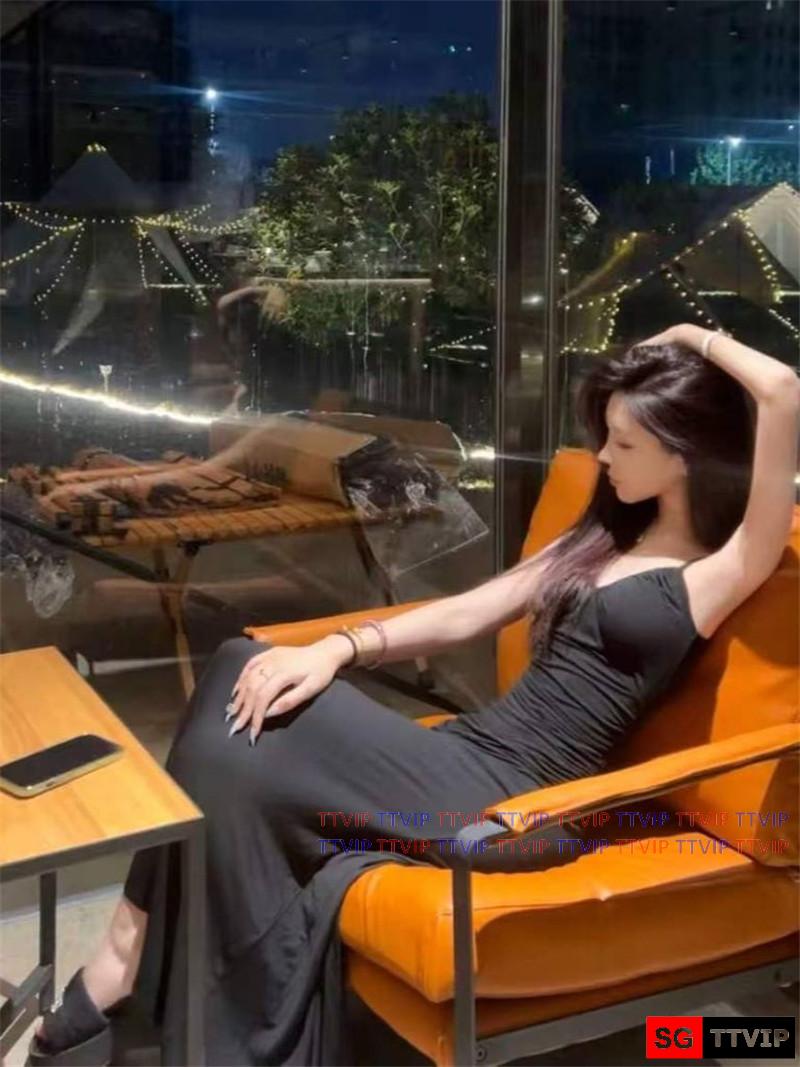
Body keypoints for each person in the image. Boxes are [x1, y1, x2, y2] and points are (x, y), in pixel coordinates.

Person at [25, 324, 799, 1067]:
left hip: (523, 807)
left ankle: (126, 957)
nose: (603, 455)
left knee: (236, 669)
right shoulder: (601, 540)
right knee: (239, 719)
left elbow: (783, 389)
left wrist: (692, 337)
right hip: (468, 754)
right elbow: (466, 612)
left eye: (624, 443)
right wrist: (339, 645)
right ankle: (154, 973)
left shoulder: (722, 572)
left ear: (685, 453)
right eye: (605, 435)